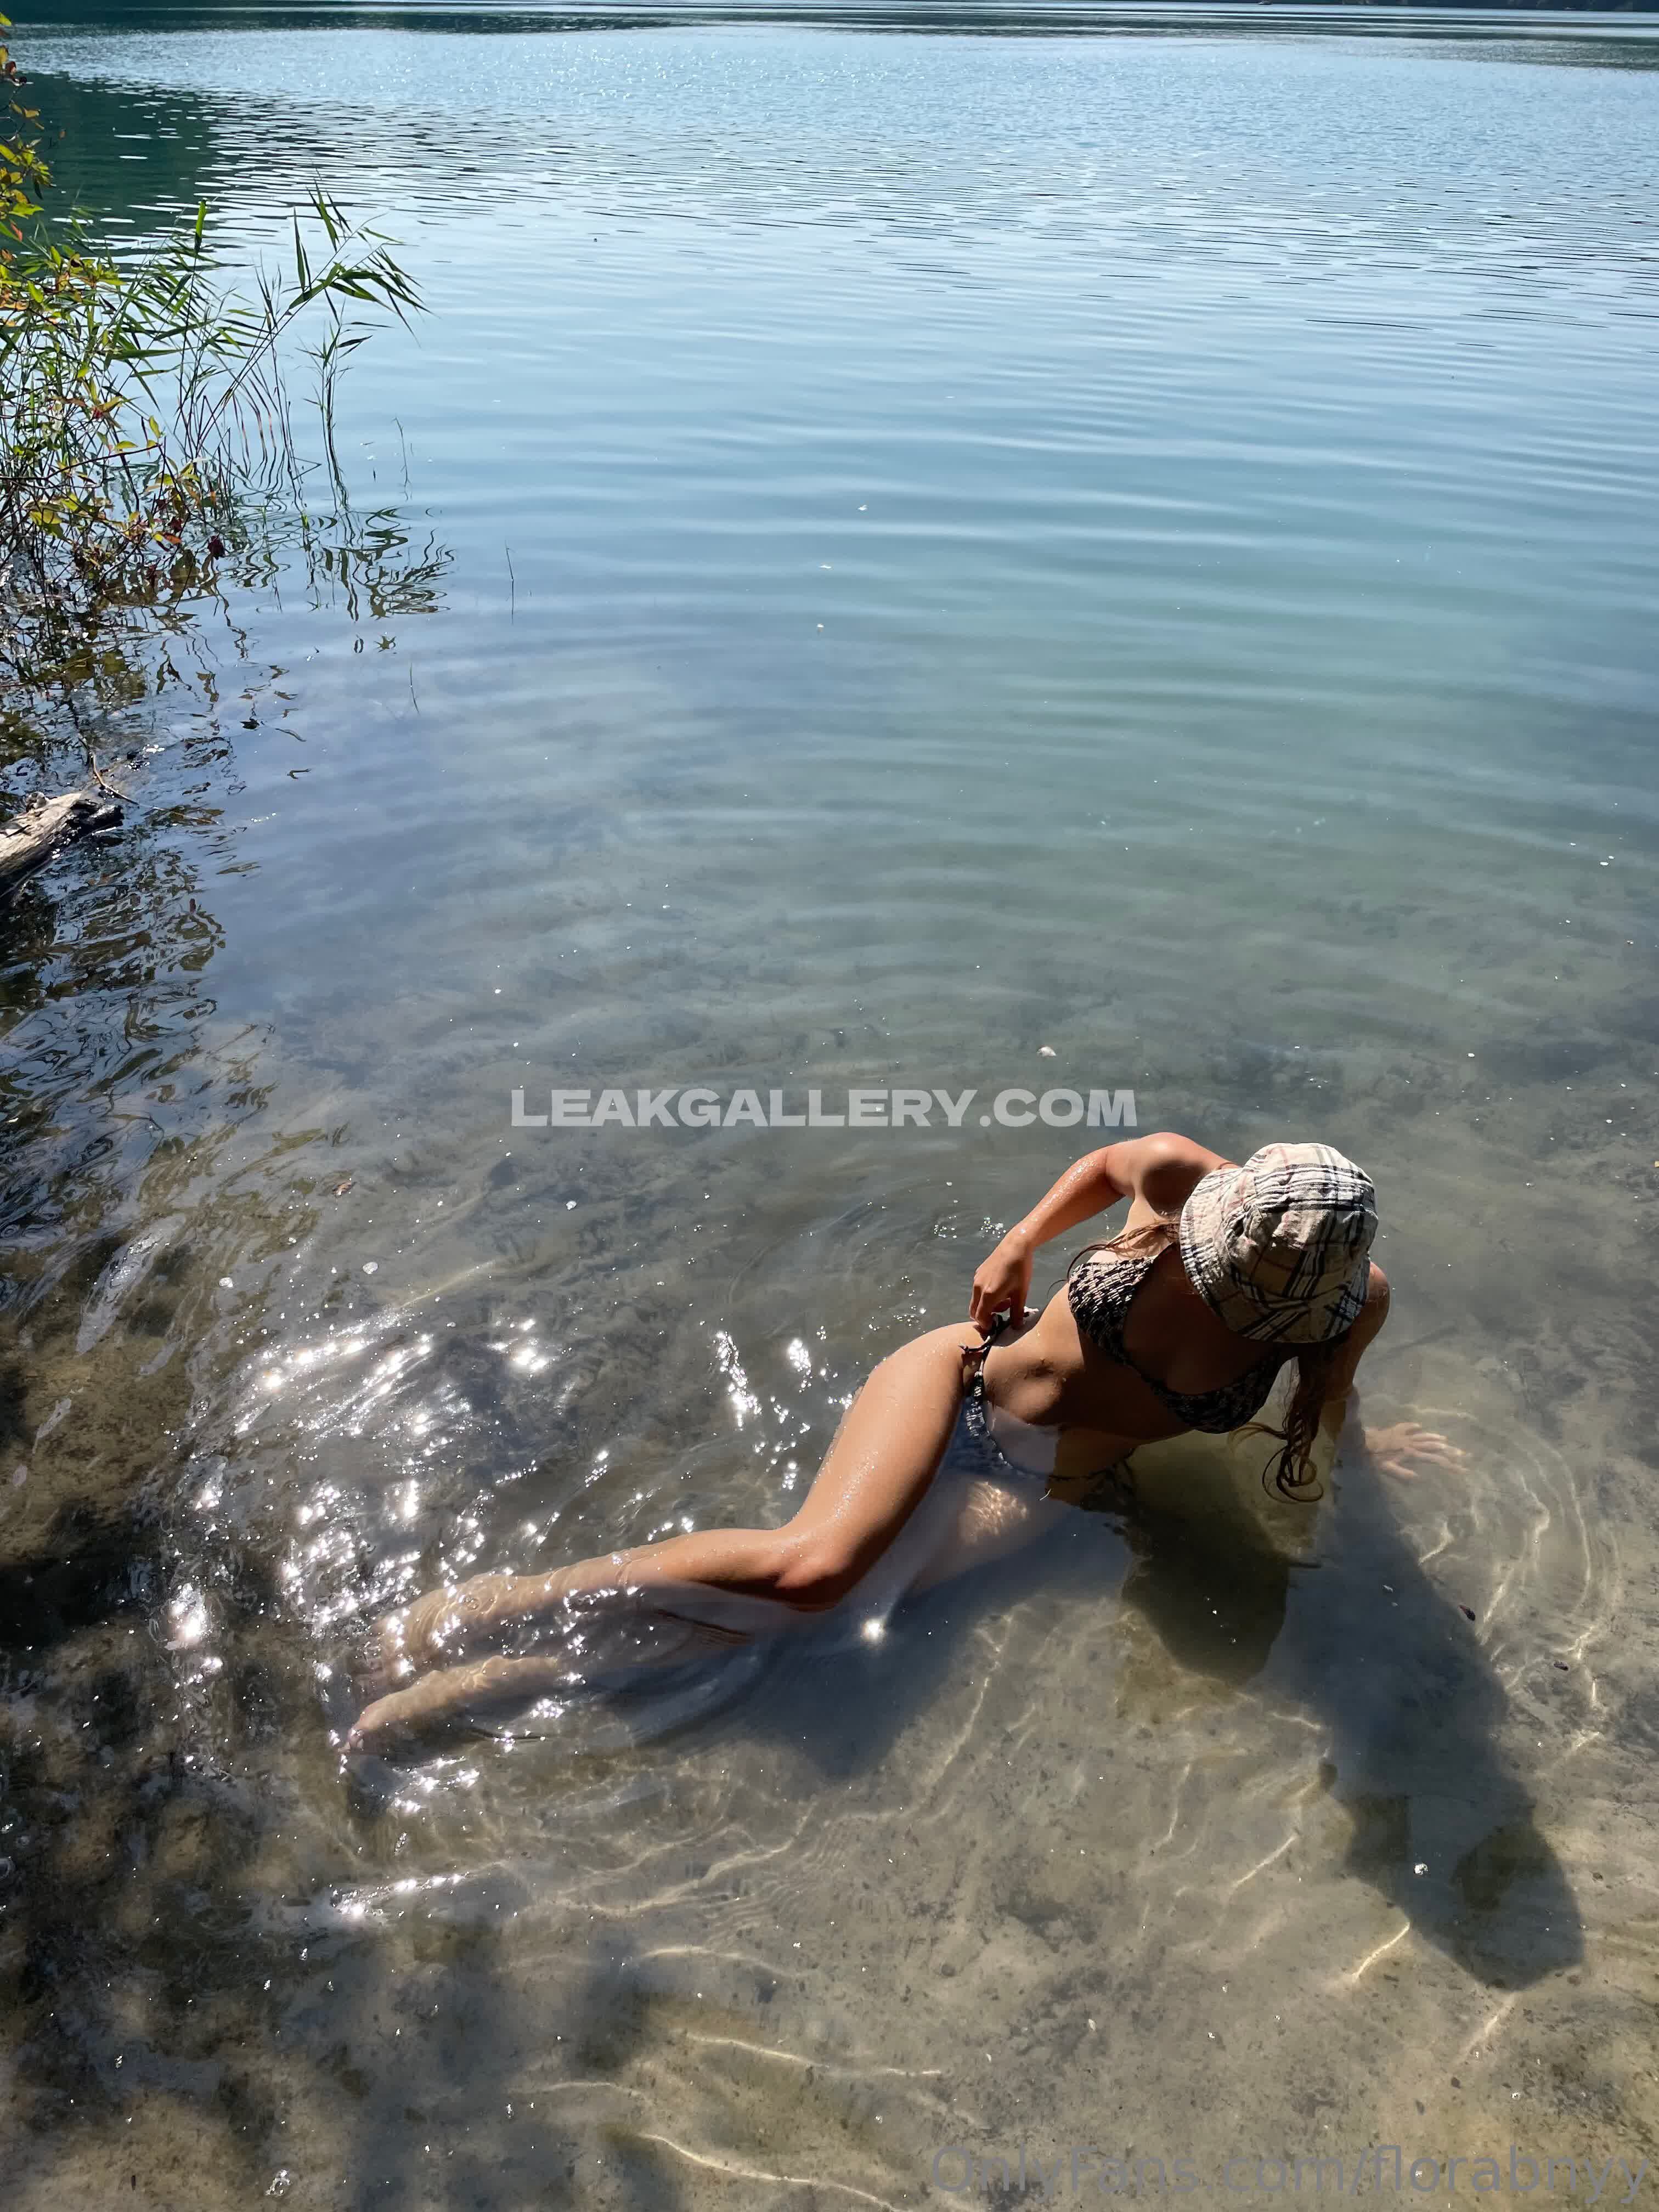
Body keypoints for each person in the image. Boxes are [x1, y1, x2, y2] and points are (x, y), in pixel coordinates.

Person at [347, 1133, 1460, 1752]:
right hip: (959, 1381)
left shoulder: (1347, 1305)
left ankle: (508, 1680)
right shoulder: (1185, 1179)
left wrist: (1364, 1465)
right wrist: (1019, 1243)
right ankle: (487, 1608)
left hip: (1044, 1484)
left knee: (826, 1617)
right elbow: (1105, 1168)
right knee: (814, 1569)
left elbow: (1329, 1404)